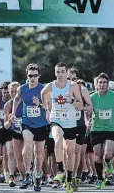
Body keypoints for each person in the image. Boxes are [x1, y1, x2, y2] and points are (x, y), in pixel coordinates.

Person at [41, 62, 83, 192]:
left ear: (66, 73)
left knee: (70, 153)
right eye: (57, 72)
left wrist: (71, 101)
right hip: (56, 120)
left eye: (62, 72)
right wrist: (47, 109)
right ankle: (60, 171)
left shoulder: (73, 86)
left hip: (70, 122)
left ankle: (69, 178)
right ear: (55, 73)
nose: (60, 75)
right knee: (58, 140)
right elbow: (43, 93)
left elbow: (81, 105)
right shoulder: (51, 86)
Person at [11, 63, 48, 191]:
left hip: (41, 124)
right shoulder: (22, 88)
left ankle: (37, 175)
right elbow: (16, 99)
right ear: (27, 76)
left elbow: (49, 108)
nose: (32, 78)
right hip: (27, 122)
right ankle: (27, 173)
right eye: (30, 75)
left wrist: (39, 104)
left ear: (39, 76)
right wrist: (13, 112)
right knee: (27, 143)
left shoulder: (43, 89)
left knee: (39, 152)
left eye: (35, 76)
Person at [88, 73, 114, 189]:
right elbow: (86, 111)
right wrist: (86, 121)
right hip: (96, 129)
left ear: (108, 85)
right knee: (98, 156)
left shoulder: (113, 96)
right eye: (100, 83)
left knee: (107, 154)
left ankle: (108, 162)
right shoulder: (92, 97)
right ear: (97, 85)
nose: (102, 85)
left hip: (110, 129)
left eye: (104, 83)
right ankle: (100, 179)